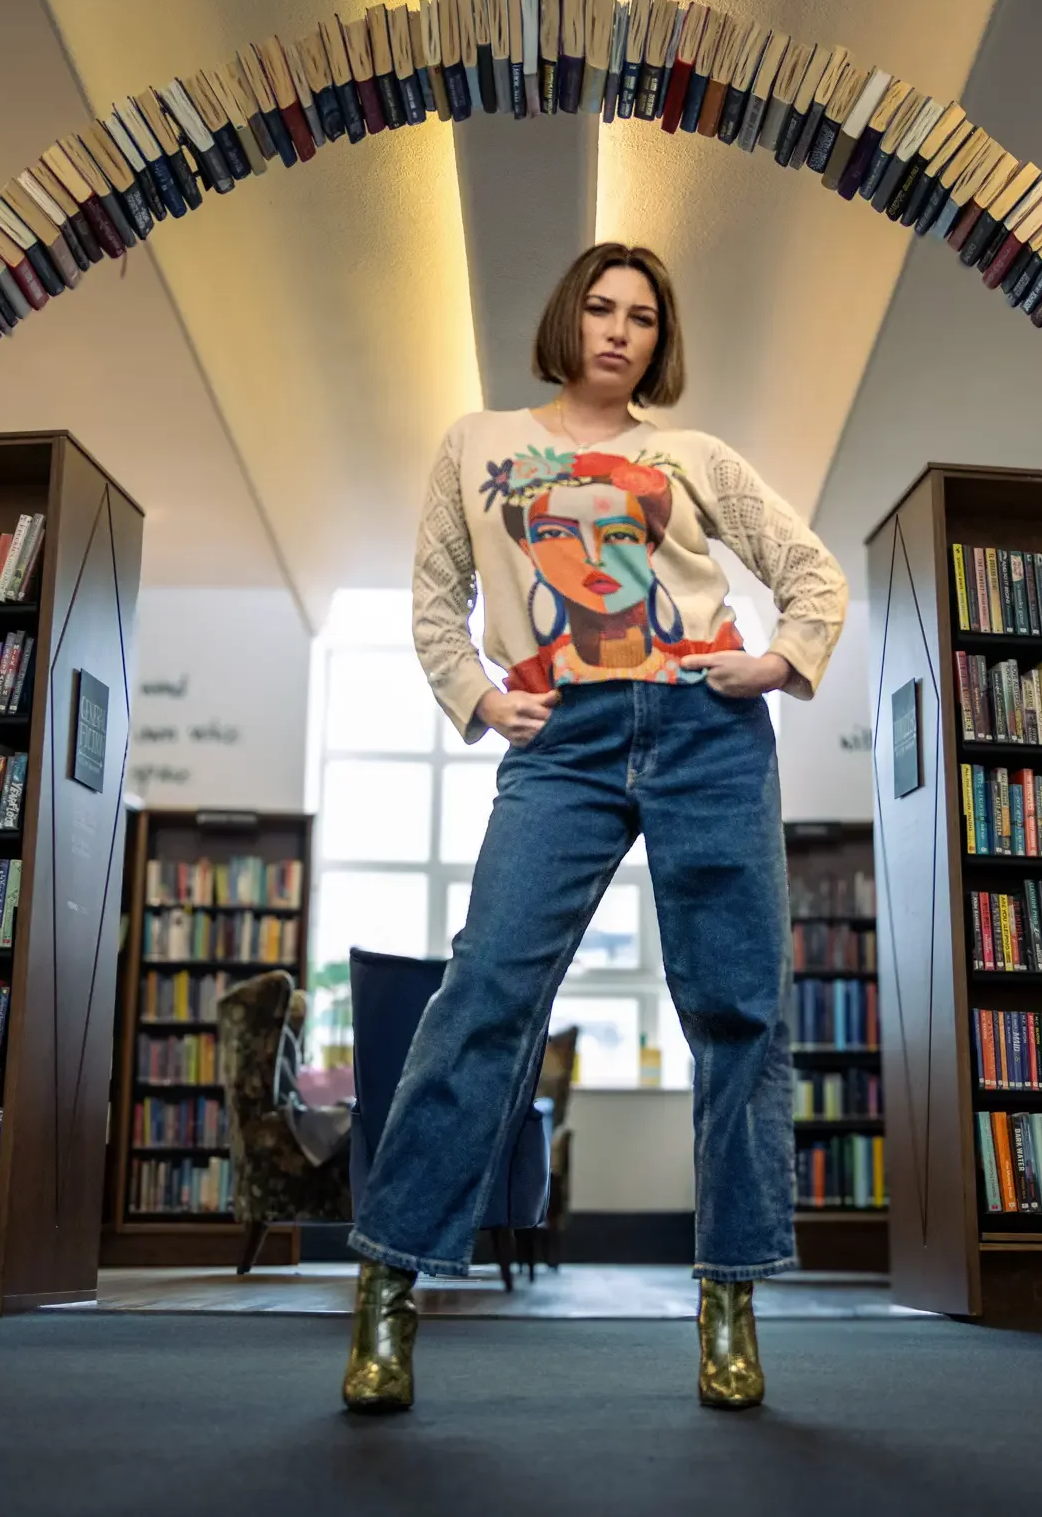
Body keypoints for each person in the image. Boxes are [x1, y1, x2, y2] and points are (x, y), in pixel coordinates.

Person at [343, 242, 849, 1413]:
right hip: (560, 739)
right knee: (483, 994)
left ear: (659, 344)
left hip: (705, 730)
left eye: (642, 318)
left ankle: (729, 1297)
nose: (618, 332)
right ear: (564, 319)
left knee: (736, 1009)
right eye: (600, 308)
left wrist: (775, 662)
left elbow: (809, 574)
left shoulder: (693, 458)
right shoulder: (476, 444)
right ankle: (387, 1286)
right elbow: (432, 595)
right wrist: (475, 694)